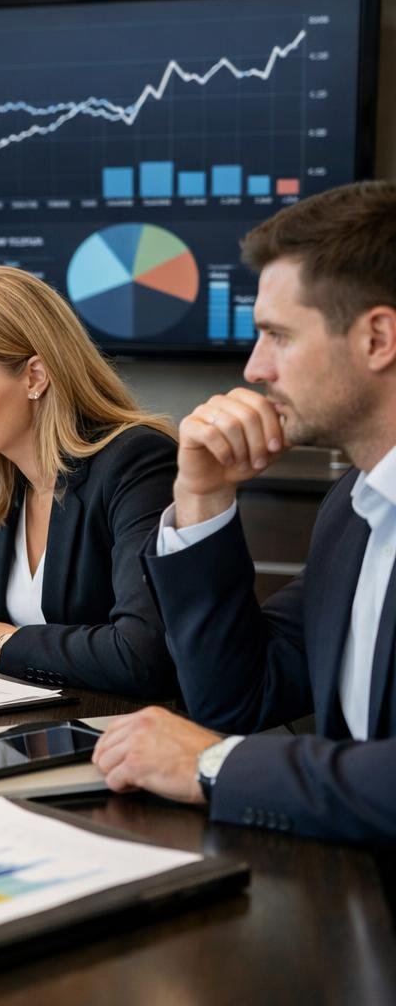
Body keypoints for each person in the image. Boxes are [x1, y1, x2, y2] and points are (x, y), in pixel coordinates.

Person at [94, 180, 396, 846]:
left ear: (377, 337)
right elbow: (238, 697)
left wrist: (211, 764)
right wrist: (202, 497)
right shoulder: (354, 508)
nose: (255, 367)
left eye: (276, 336)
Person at [0, 266, 179, 699]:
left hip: (121, 738)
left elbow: (143, 653)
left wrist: (5, 643)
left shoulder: (136, 463)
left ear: (35, 377)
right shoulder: (4, 476)